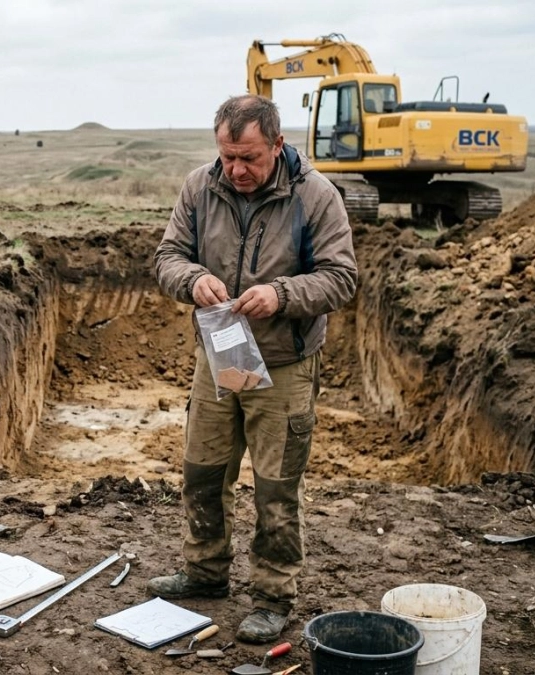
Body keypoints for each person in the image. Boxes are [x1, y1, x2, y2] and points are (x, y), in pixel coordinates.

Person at [150, 94, 357, 643]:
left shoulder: (316, 197)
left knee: (275, 486)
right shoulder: (200, 186)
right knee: (202, 471)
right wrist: (192, 279)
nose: (237, 170)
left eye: (250, 158)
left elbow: (341, 277)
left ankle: (271, 595)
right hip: (217, 357)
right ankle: (205, 572)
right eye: (228, 156)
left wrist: (283, 294)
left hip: (285, 365)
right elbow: (167, 256)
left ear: (278, 146)